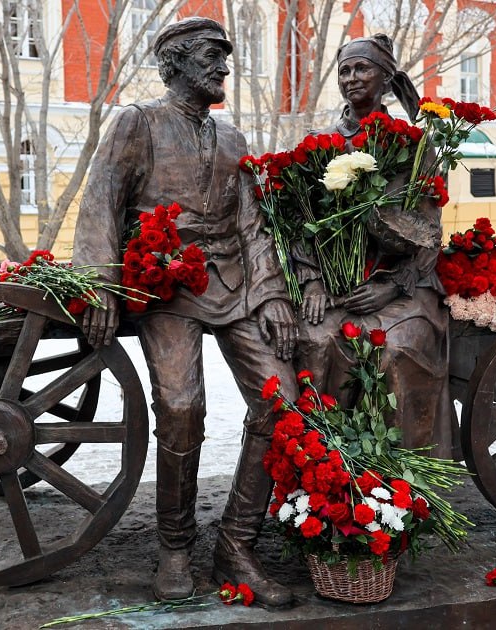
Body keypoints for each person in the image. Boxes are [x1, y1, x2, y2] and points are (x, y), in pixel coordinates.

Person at [71, 17, 298, 607]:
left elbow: (251, 224)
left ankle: (237, 545)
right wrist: (99, 282)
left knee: (286, 403)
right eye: (210, 55)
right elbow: (101, 202)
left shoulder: (233, 140)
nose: (223, 66)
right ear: (174, 62)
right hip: (166, 288)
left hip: (236, 285)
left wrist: (270, 292)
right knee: (179, 406)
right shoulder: (137, 123)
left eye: (225, 55)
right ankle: (175, 545)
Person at [294, 34, 453, 456]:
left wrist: (395, 283)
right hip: (336, 283)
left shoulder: (416, 145)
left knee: (398, 350)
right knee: (317, 342)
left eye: (362, 68)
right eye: (344, 70)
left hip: (403, 286)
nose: (351, 78)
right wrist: (311, 282)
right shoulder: (318, 143)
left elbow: (430, 228)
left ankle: (402, 482)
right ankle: (321, 474)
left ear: (386, 79)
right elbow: (301, 223)